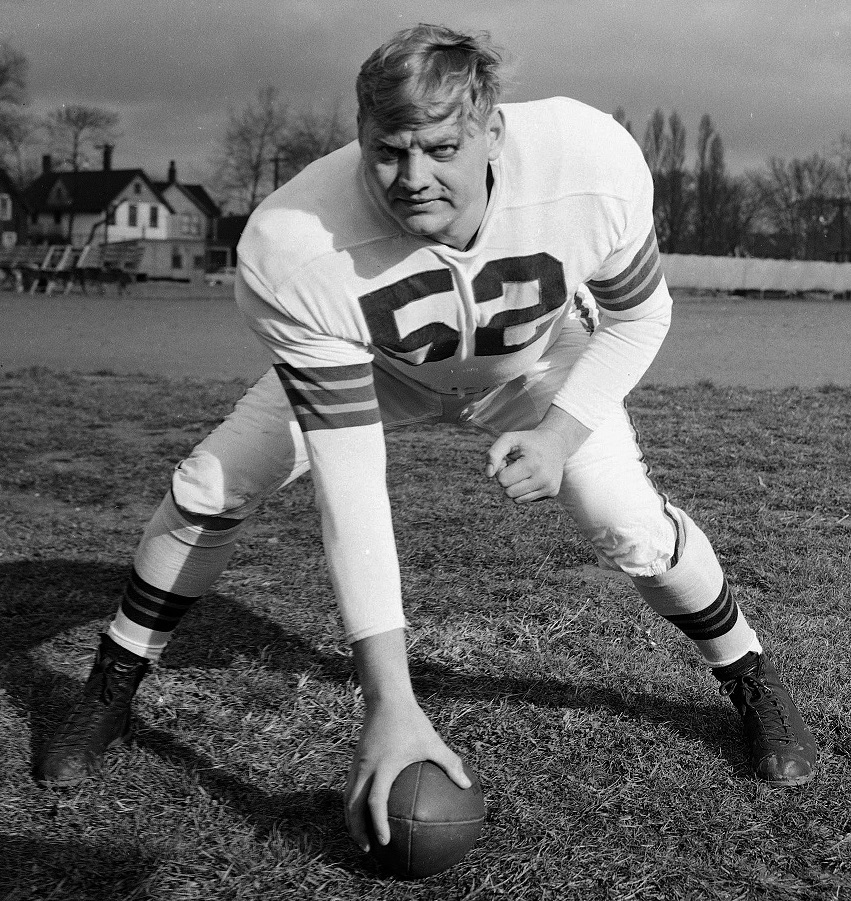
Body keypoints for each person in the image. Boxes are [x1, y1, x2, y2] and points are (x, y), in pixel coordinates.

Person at [35, 24, 817, 851]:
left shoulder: (587, 162)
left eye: (440, 148)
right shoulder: (294, 241)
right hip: (379, 362)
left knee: (626, 522)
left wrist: (557, 433)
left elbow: (639, 315)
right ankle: (111, 683)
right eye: (387, 151)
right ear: (360, 135)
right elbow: (353, 488)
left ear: (492, 130)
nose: (413, 178)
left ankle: (749, 673)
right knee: (208, 487)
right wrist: (391, 702)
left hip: (534, 362)